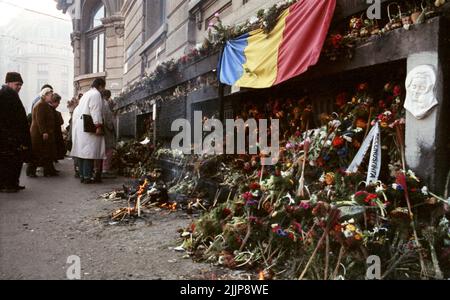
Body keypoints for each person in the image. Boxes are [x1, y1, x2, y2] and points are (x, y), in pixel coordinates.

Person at [0, 72, 31, 193]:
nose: (19, 87)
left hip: (14, 137)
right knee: (7, 161)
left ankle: (13, 183)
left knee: (16, 161)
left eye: (21, 85)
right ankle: (6, 185)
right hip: (7, 138)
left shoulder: (11, 95)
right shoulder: (3, 96)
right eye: (17, 84)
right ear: (8, 83)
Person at [71, 78, 106, 184]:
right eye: (103, 87)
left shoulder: (86, 94)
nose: (103, 90)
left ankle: (82, 175)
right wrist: (98, 125)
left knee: (82, 152)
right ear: (100, 86)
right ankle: (87, 177)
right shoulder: (96, 95)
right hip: (89, 127)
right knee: (89, 153)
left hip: (81, 127)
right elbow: (95, 110)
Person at [28, 88, 58, 177]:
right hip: (38, 134)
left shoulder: (43, 104)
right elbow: (40, 120)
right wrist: (44, 132)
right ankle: (31, 171)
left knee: (45, 152)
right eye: (50, 95)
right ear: (45, 95)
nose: (52, 97)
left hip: (40, 133)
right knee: (37, 153)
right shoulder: (41, 105)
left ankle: (48, 171)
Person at [100, 89, 117, 179]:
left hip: (104, 131)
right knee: (108, 150)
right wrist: (111, 127)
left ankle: (104, 169)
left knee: (105, 150)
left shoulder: (102, 103)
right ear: (107, 96)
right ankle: (105, 170)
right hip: (107, 131)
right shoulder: (105, 104)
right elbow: (108, 119)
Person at [50, 93, 66, 162]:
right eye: (58, 102)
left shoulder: (55, 111)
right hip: (53, 134)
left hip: (55, 133)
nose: (58, 104)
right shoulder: (52, 111)